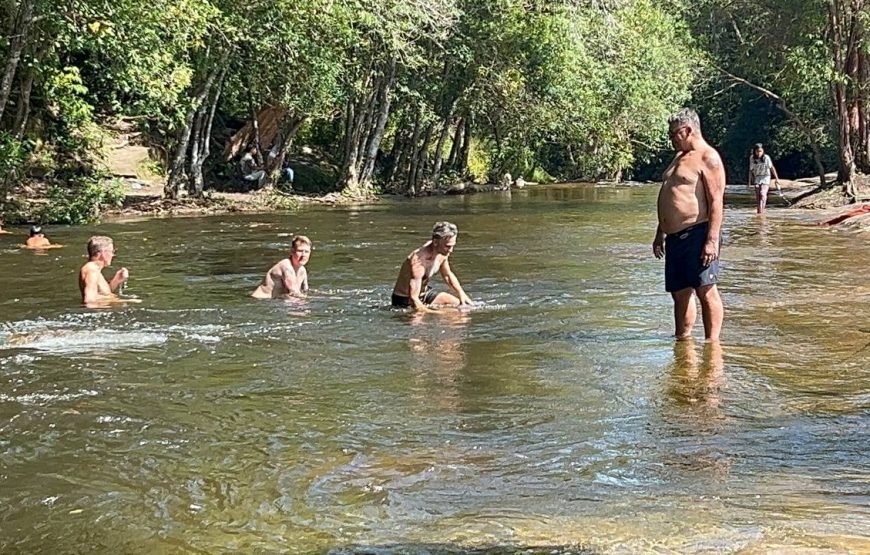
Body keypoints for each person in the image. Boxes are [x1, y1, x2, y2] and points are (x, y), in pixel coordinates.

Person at [653, 108, 725, 342]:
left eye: (673, 134)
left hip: (699, 232)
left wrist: (711, 241)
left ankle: (712, 344)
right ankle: (683, 342)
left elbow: (716, 201)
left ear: (688, 130)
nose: (671, 139)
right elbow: (670, 196)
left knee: (705, 290)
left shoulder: (708, 157)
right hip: (674, 237)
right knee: (680, 293)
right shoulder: (678, 157)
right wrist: (660, 232)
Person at [391, 221, 473, 311]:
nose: (451, 250)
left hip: (425, 294)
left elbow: (447, 276)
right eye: (447, 246)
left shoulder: (441, 252)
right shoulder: (418, 261)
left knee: (462, 309)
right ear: (435, 242)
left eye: (452, 246)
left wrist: (462, 295)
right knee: (421, 321)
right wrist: (433, 313)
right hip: (405, 301)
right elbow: (413, 298)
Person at [79, 235, 130, 307]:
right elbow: (89, 300)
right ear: (103, 252)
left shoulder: (95, 270)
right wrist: (126, 301)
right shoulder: (91, 270)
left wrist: (116, 280)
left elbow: (102, 293)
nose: (112, 255)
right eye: (111, 251)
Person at [748, 143, 780, 214]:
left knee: (762, 193)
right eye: (757, 151)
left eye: (760, 151)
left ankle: (763, 208)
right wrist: (749, 182)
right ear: (754, 151)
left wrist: (776, 178)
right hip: (757, 177)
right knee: (758, 195)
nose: (759, 153)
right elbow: (750, 170)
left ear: (763, 151)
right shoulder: (752, 158)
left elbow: (771, 167)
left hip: (766, 176)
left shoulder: (766, 158)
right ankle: (759, 211)